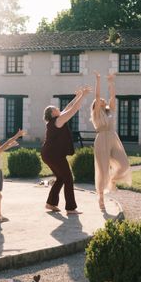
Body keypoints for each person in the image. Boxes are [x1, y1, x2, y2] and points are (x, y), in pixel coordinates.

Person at [41, 86, 92, 215]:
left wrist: (77, 96)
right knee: (68, 178)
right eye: (56, 109)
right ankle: (70, 208)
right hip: (54, 155)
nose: (58, 109)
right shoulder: (58, 120)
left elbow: (69, 107)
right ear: (53, 113)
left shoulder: (55, 120)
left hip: (48, 154)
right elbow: (74, 110)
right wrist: (83, 96)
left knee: (60, 178)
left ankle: (51, 203)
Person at [91, 72, 132, 210]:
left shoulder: (110, 111)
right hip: (101, 139)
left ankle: (112, 180)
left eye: (103, 100)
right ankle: (101, 197)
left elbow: (113, 96)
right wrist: (98, 79)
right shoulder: (97, 113)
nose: (103, 100)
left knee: (124, 164)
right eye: (100, 100)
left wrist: (111, 82)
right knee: (102, 170)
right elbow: (96, 96)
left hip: (113, 138)